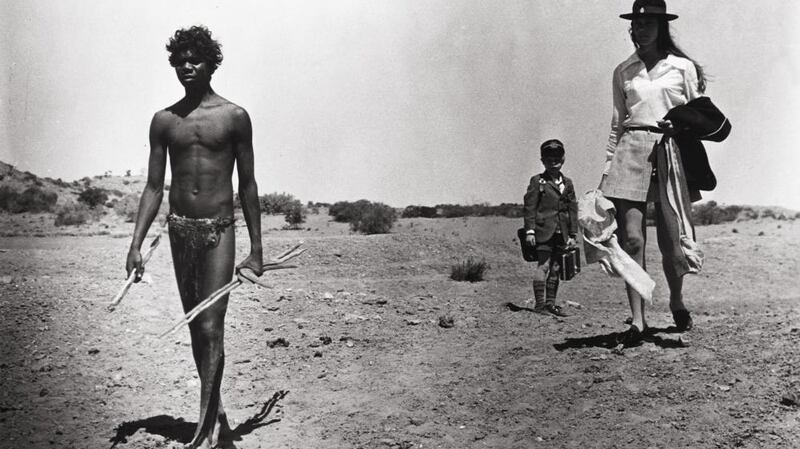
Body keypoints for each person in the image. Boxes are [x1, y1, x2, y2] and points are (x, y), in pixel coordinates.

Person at [125, 25, 264, 448]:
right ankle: (215, 413)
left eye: (195, 59)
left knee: (210, 324)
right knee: (195, 328)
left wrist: (257, 249)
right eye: (180, 60)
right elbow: (153, 187)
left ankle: (207, 434)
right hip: (179, 231)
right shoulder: (164, 122)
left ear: (211, 63)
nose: (187, 66)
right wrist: (135, 244)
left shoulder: (234, 117)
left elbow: (248, 185)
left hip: (219, 231)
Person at [599, 0, 707, 345]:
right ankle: (638, 320)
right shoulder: (623, 70)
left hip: (669, 151)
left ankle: (676, 300)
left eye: (647, 25)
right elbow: (617, 124)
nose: (639, 30)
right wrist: (606, 170)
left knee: (670, 240)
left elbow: (700, 115)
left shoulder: (682, 68)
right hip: (630, 150)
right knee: (631, 239)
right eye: (635, 25)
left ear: (662, 27)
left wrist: (679, 129)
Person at [522, 139, 578, 317]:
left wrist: (573, 233)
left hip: (561, 232)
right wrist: (530, 230)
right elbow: (529, 207)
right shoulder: (538, 181)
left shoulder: (568, 183)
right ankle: (539, 305)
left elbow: (572, 209)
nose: (553, 162)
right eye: (549, 159)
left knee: (556, 268)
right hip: (543, 231)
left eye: (557, 158)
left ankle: (550, 304)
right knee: (544, 265)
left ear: (563, 159)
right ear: (543, 161)